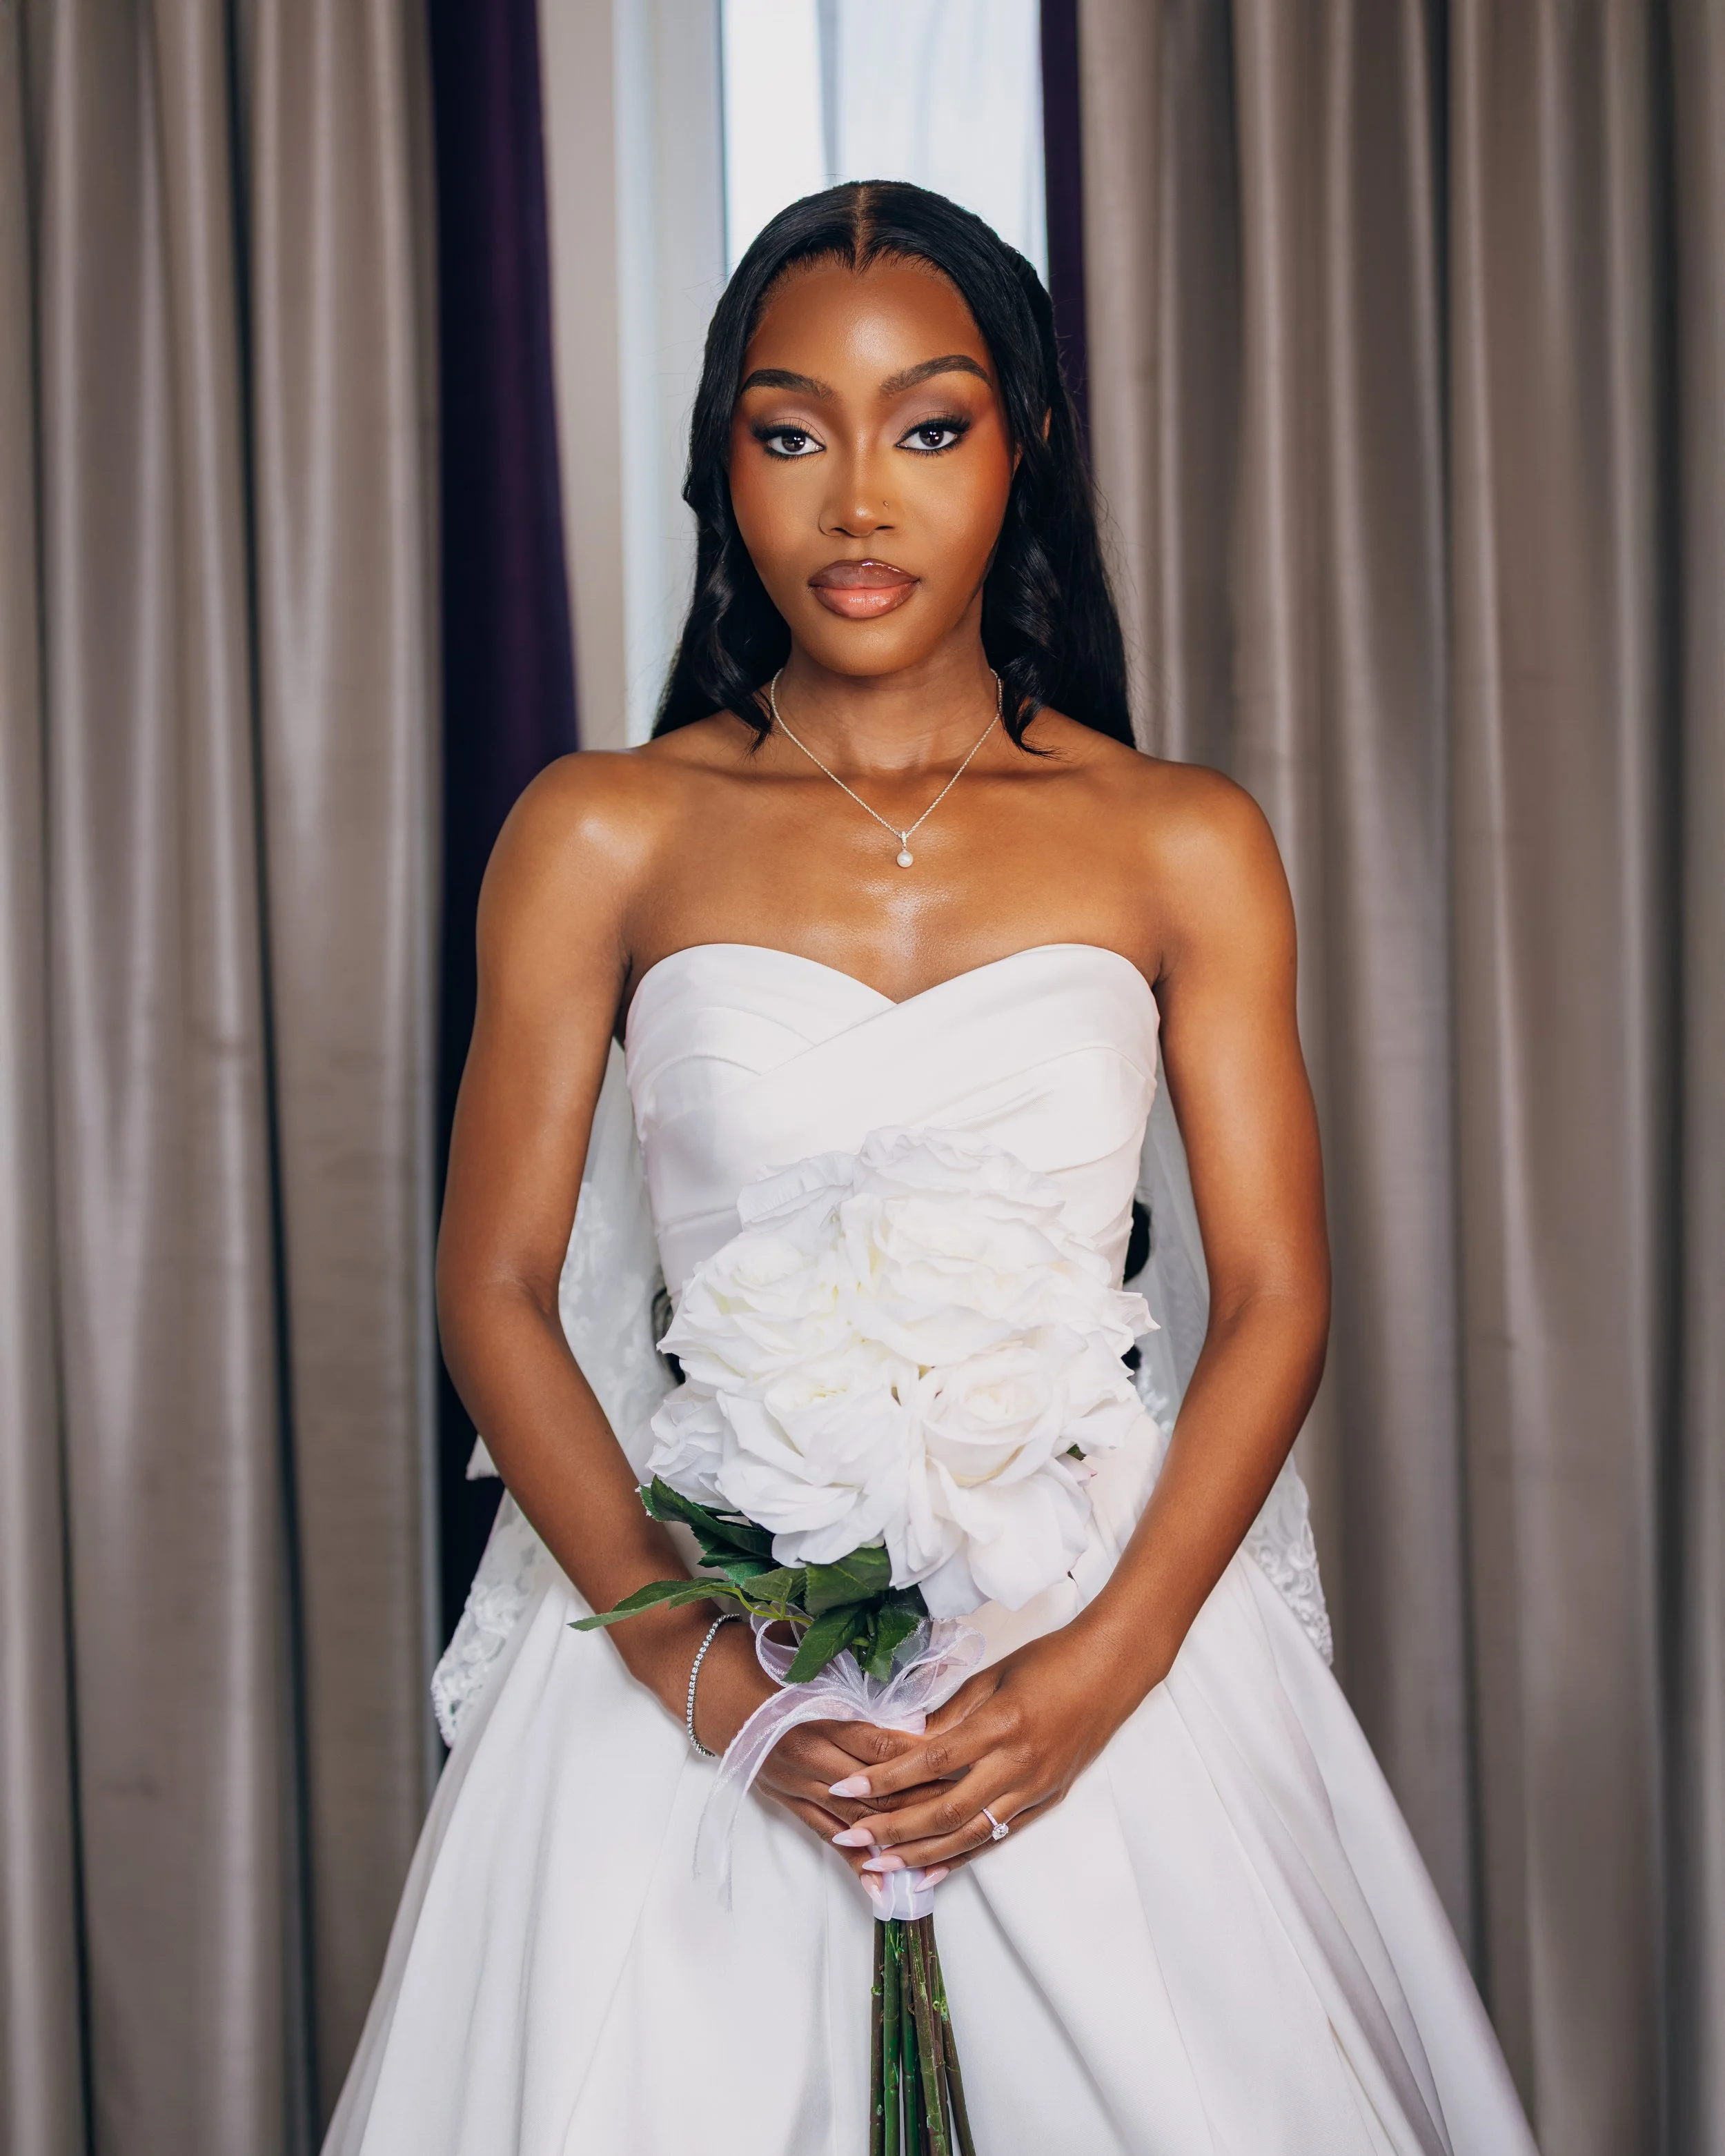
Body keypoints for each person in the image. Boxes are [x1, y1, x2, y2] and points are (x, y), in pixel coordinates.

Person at [325, 181, 1537, 2155]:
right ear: (726, 463)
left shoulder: (1180, 839)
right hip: (712, 1637)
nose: (856, 499)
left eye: (929, 425)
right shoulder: (598, 831)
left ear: (1023, 444)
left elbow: (1278, 1293)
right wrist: (704, 1670)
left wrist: (1098, 1669)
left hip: (1089, 1632)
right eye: (791, 431)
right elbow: (492, 1287)